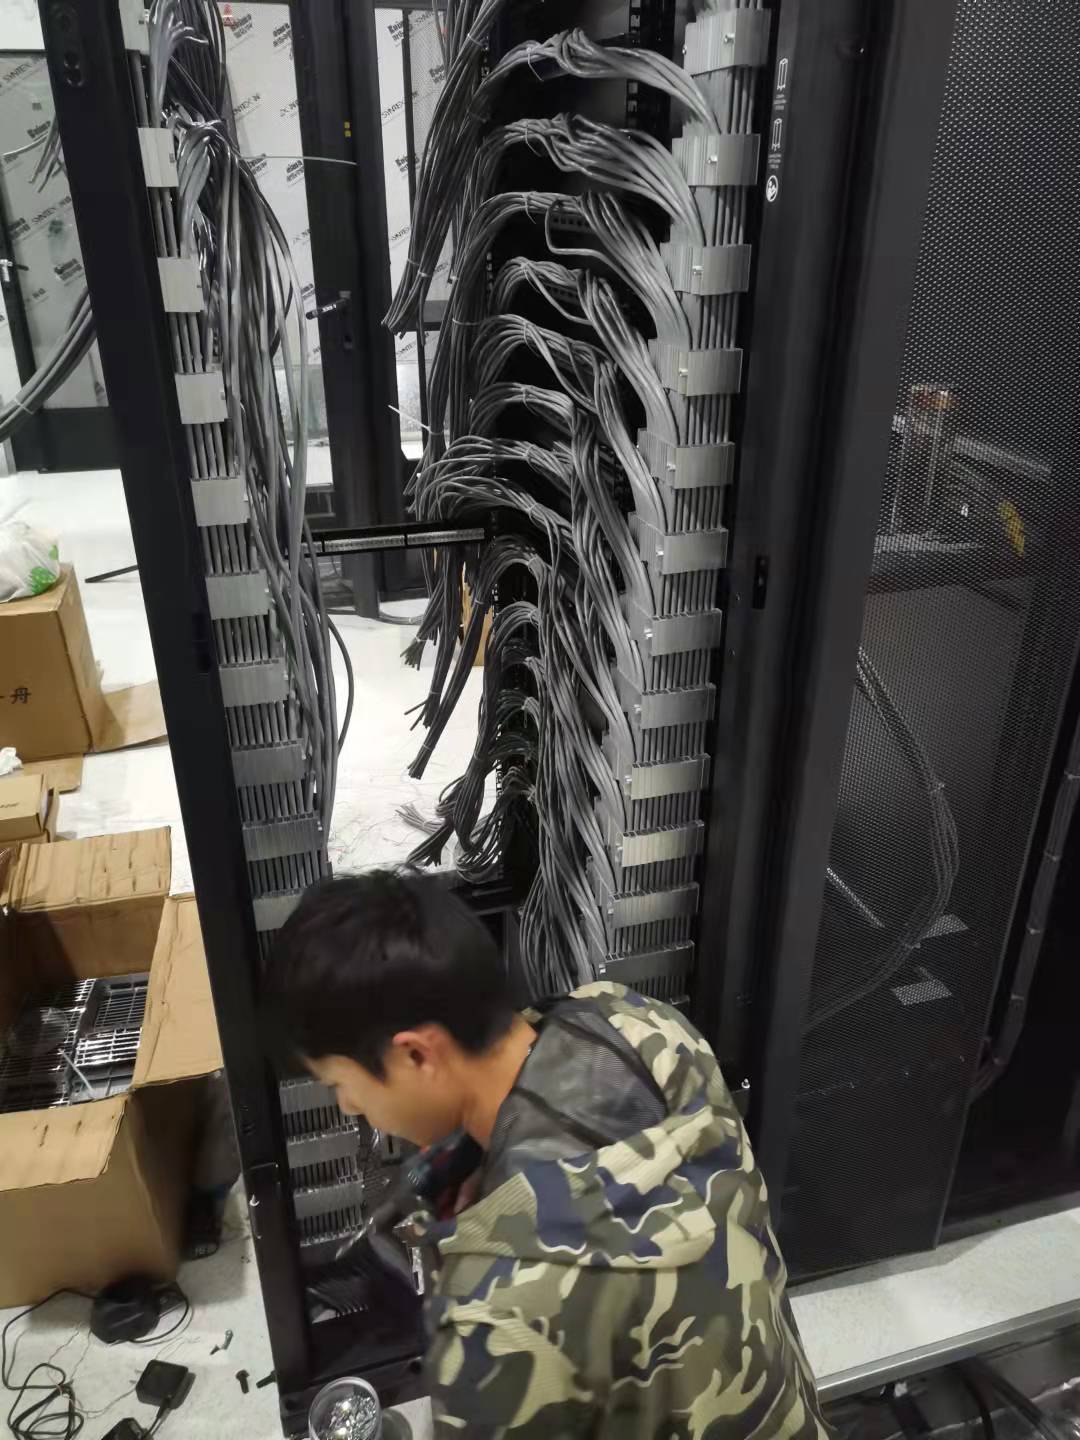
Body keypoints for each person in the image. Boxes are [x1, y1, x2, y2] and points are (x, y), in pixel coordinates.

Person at [264, 870, 829, 1440]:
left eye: (340, 1084)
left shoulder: (494, 1317)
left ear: (416, 1055)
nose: (349, 1107)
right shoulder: (638, 1022)